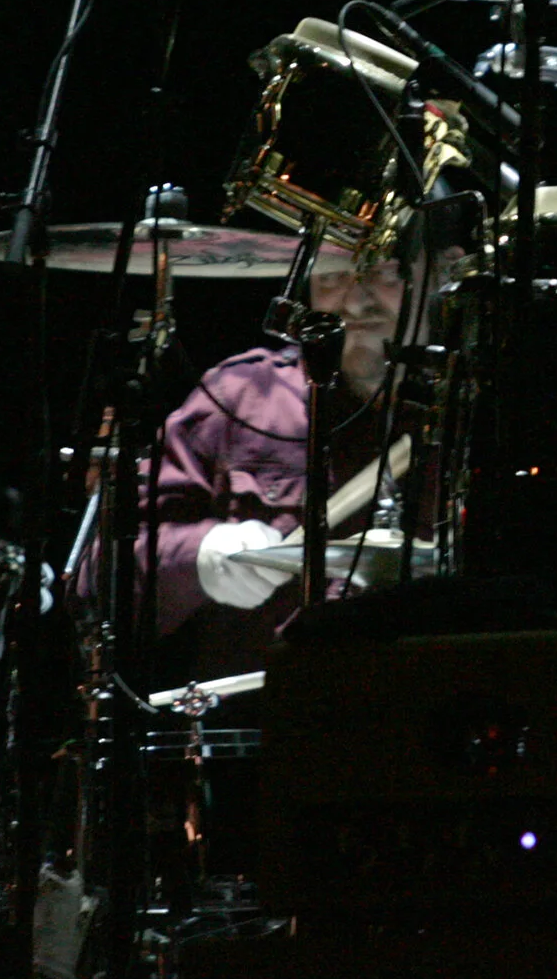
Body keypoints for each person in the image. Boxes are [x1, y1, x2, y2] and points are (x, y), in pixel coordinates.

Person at [134, 244, 449, 680]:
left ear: (443, 273)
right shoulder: (240, 397)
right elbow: (98, 585)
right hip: (260, 726)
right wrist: (200, 557)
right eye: (334, 276)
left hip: (427, 717)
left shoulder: (477, 412)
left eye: (386, 274)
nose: (356, 301)